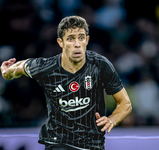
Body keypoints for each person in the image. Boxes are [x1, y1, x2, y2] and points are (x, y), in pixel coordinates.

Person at [0, 16, 132, 150]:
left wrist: (112, 120)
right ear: (60, 42)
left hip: (93, 145)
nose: (77, 44)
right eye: (70, 39)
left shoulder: (100, 65)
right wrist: (7, 73)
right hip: (58, 143)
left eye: (81, 38)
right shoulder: (46, 68)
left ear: (87, 40)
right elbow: (22, 65)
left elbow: (125, 103)